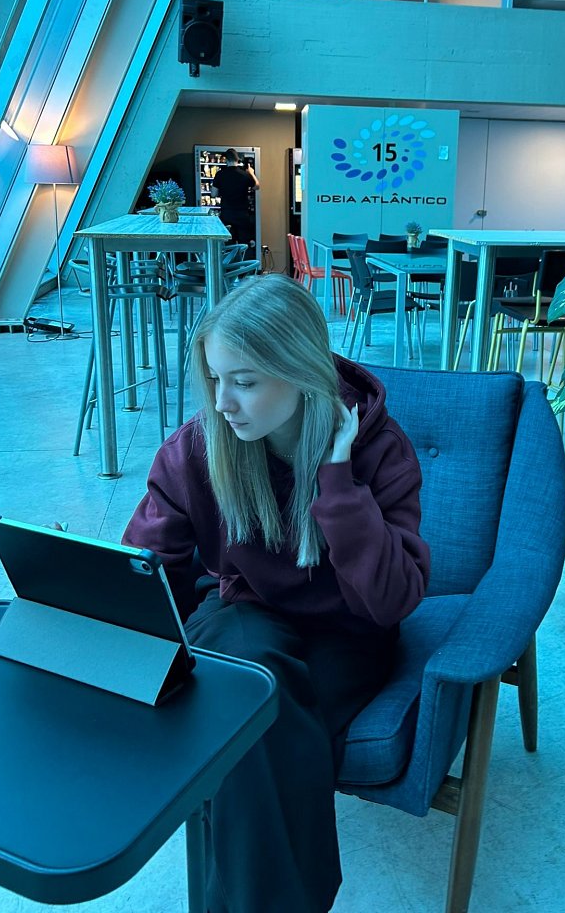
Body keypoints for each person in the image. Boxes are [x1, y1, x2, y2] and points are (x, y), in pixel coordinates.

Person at [122, 273, 430, 913]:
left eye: (245, 381)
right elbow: (148, 568)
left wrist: (338, 482)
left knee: (249, 731)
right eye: (215, 379)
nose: (223, 402)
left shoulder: (380, 450)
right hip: (246, 610)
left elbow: (392, 599)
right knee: (243, 684)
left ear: (301, 373)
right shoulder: (198, 448)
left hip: (348, 632)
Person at [212, 148, 259, 248]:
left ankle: (231, 258)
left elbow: (213, 194)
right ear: (237, 160)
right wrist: (251, 173)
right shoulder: (245, 174)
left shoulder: (220, 174)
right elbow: (257, 186)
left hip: (227, 213)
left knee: (228, 244)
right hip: (242, 214)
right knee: (243, 245)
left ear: (226, 160)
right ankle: (242, 258)